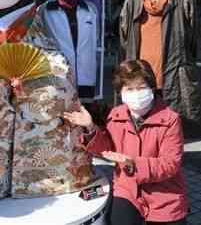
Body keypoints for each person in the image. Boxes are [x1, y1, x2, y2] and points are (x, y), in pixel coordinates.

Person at [64, 59, 188, 225]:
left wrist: (132, 163)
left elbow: (171, 164)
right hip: (127, 188)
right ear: (121, 92)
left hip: (164, 192)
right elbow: (107, 148)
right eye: (129, 88)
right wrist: (91, 126)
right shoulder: (116, 115)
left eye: (142, 87)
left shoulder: (170, 119)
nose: (136, 93)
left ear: (152, 88)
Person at [119, 0, 201, 137]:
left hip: (174, 78)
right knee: (142, 133)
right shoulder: (132, 2)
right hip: (140, 80)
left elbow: (193, 40)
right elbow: (124, 40)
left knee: (172, 134)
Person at [41, 0, 99, 101]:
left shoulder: (90, 9)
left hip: (86, 77)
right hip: (58, 78)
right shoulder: (43, 12)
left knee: (85, 116)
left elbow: (95, 38)